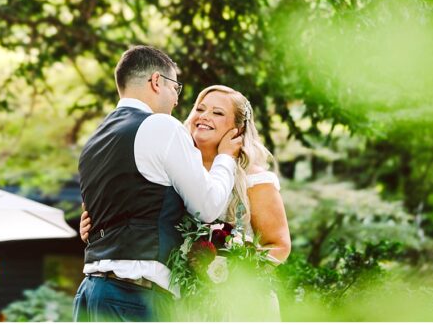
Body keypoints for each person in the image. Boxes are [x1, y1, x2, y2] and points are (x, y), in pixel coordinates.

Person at [80, 85, 291, 320]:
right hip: (183, 302)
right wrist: (96, 225)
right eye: (200, 109)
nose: (204, 116)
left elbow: (279, 245)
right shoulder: (173, 171)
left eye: (217, 113)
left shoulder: (255, 180)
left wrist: (233, 277)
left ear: (238, 129)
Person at [73, 45, 242, 322]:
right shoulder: (163, 126)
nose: (177, 101)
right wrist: (225, 158)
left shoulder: (93, 142)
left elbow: (108, 210)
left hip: (90, 293)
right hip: (134, 297)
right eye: (176, 88)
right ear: (156, 81)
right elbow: (209, 207)